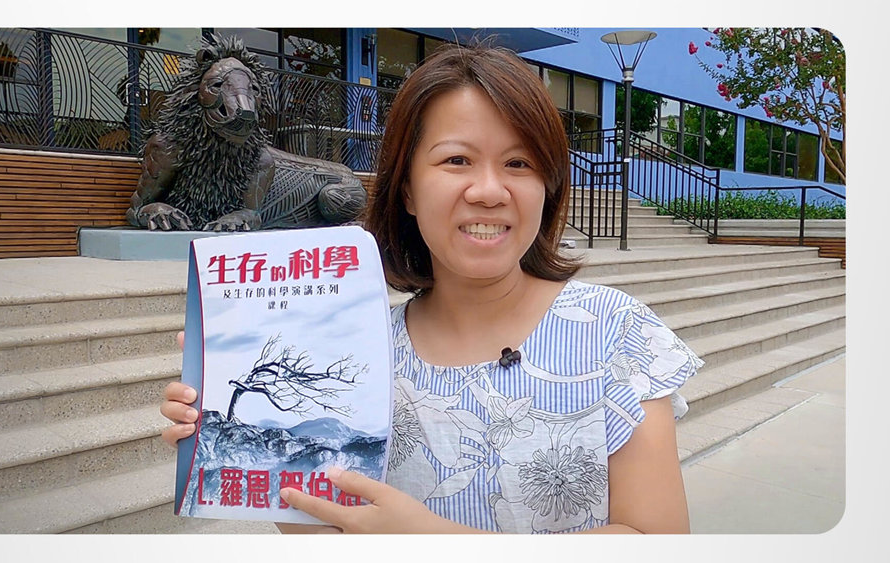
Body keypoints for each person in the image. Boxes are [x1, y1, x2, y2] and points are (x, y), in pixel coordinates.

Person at [159, 42, 703, 534]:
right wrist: (235, 436)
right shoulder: (361, 358)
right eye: (456, 160)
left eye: (518, 163)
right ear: (408, 190)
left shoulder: (614, 333)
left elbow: (657, 538)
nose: (489, 191)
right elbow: (330, 531)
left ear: (548, 186)